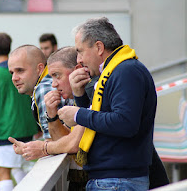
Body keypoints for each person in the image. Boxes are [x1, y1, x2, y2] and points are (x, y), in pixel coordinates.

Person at [57, 17, 160, 190]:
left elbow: (125, 123)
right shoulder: (117, 70)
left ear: (99, 47)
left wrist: (77, 114)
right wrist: (80, 95)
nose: (79, 60)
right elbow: (101, 118)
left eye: (80, 51)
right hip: (113, 178)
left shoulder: (126, 71)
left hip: (118, 180)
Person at [9, 47, 87, 190]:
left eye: (20, 70)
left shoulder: (42, 89)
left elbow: (60, 142)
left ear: (39, 68)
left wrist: (41, 148)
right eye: (12, 72)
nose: (14, 77)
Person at [0, 33, 39, 191]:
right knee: (19, 167)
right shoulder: (23, 70)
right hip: (27, 128)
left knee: (3, 171)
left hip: (6, 131)